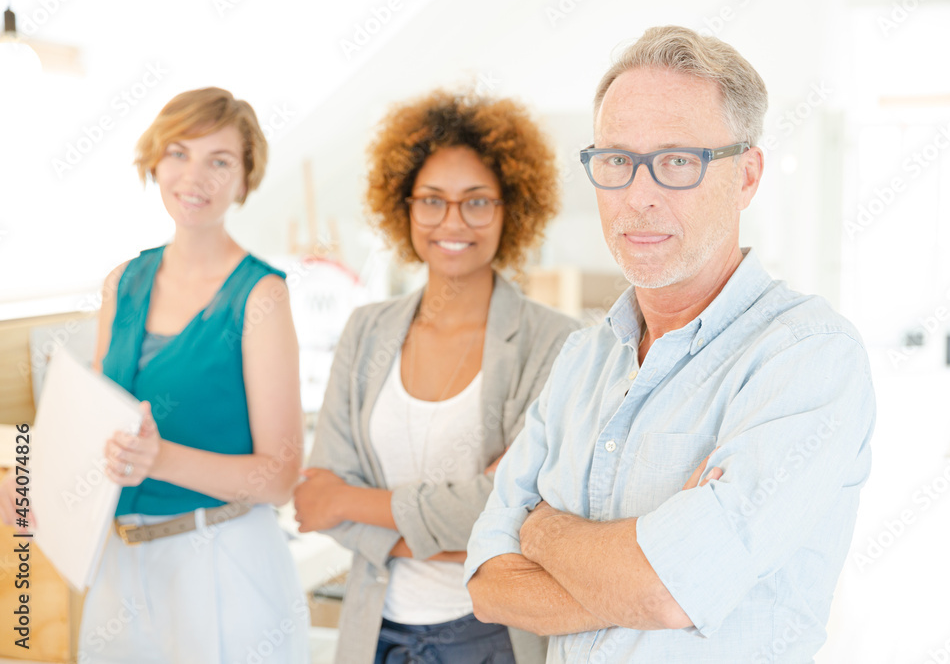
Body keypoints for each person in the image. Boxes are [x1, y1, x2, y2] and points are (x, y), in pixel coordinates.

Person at [464, 25, 877, 663]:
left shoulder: (809, 358)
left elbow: (664, 592)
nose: (639, 195)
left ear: (747, 174)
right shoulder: (581, 360)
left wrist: (541, 528)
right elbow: (491, 588)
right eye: (616, 161)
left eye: (679, 160)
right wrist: (651, 572)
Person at [0, 87, 309, 662]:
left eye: (220, 161)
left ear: (244, 179)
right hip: (121, 564)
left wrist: (162, 459)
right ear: (154, 162)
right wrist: (28, 485)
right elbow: (97, 431)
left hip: (222, 564)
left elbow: (281, 477)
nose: (196, 176)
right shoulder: (124, 282)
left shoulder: (261, 294)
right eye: (178, 152)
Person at [292, 89, 581, 664]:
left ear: (510, 210)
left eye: (477, 202)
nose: (453, 222)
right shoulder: (366, 330)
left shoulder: (554, 343)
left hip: (492, 633)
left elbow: (511, 512)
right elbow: (315, 499)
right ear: (404, 207)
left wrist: (352, 502)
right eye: (431, 200)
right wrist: (461, 538)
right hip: (375, 632)